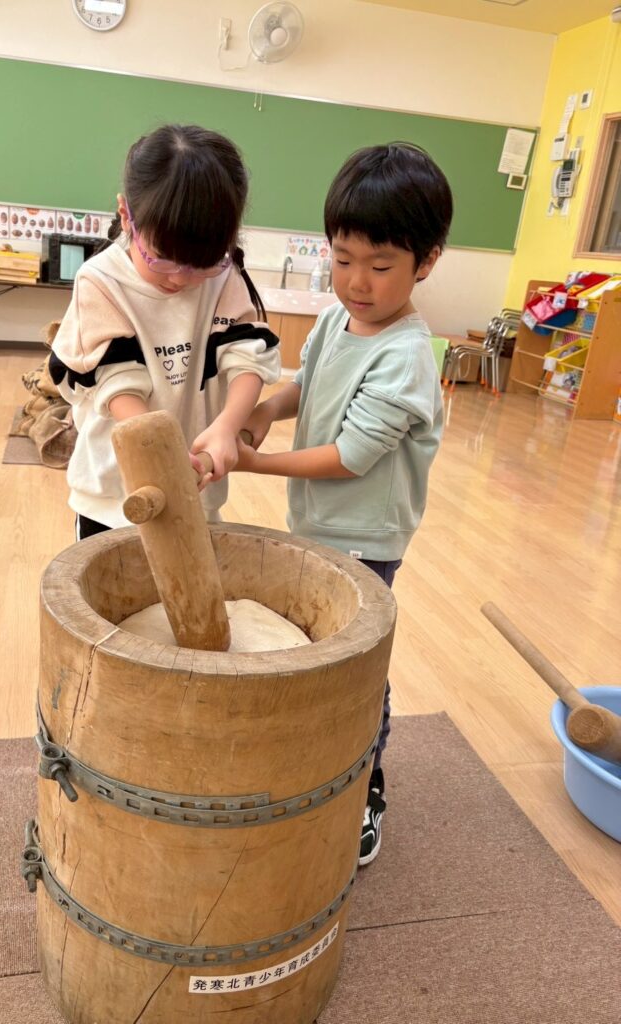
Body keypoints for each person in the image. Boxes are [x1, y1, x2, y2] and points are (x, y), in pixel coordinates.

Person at [233, 142, 453, 866]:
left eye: (380, 265)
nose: (357, 281)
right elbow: (307, 382)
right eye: (343, 258)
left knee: (356, 673)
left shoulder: (407, 357)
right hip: (318, 525)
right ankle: (312, 767)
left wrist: (256, 461)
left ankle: (365, 789)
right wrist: (265, 409)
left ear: (426, 261)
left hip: (366, 540)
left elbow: (350, 456)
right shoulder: (335, 321)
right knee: (312, 651)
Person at [49, 123, 281, 539]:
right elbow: (119, 389)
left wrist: (227, 426)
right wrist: (168, 458)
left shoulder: (224, 275)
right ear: (126, 215)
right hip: (113, 496)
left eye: (201, 264)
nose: (181, 278)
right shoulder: (101, 281)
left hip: (194, 490)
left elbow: (247, 357)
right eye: (163, 258)